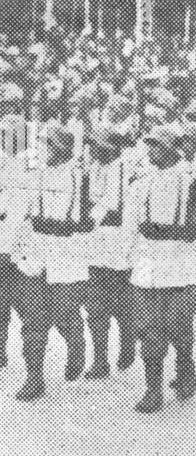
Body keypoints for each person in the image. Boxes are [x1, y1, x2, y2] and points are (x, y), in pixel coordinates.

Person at [9, 123, 93, 402]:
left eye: (47, 145)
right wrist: (18, 249)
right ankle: (34, 378)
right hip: (36, 253)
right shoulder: (36, 175)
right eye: (41, 144)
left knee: (62, 312)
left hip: (67, 255)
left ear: (60, 148)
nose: (42, 150)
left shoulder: (79, 177)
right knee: (33, 319)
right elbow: (24, 215)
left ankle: (75, 341)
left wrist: (72, 227)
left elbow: (89, 220)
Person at [120, 124, 196, 412]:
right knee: (149, 331)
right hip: (147, 269)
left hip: (182, 269)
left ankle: (186, 369)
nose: (151, 151)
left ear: (173, 149)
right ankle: (153, 390)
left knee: (179, 327)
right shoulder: (142, 183)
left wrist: (170, 232)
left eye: (157, 146)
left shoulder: (190, 182)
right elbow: (130, 227)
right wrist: (125, 261)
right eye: (149, 145)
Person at [84, 127, 137, 378]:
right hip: (94, 244)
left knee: (120, 304)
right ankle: (100, 359)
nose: (93, 148)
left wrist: (89, 218)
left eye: (97, 144)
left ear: (111, 147)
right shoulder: (93, 167)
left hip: (118, 246)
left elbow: (113, 206)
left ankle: (127, 342)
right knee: (95, 305)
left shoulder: (122, 168)